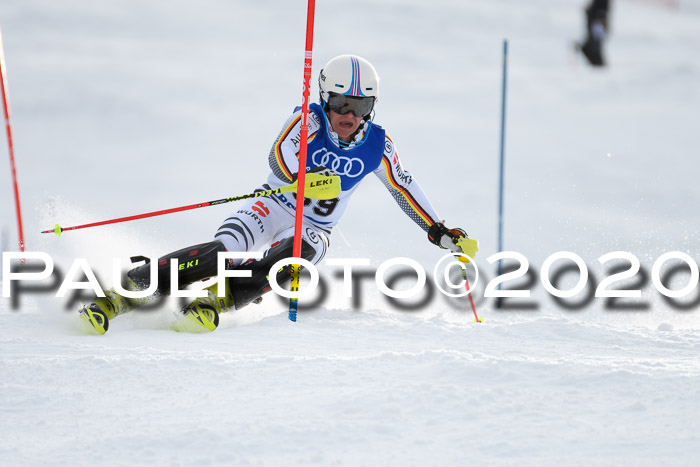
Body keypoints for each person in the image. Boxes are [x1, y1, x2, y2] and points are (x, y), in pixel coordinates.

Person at [78, 55, 479, 334]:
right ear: (326, 97)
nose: (348, 113)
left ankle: (219, 300)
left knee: (292, 259)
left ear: (371, 108)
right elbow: (277, 156)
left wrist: (438, 230)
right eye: (340, 100)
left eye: (359, 104)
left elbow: (403, 186)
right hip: (272, 205)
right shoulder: (308, 119)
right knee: (221, 250)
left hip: (315, 226)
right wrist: (302, 178)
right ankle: (127, 291)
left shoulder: (378, 144)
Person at [580, 0, 610, 66]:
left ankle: (596, 60)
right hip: (597, 17)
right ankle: (596, 60)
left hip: (597, 17)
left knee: (595, 39)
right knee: (595, 39)